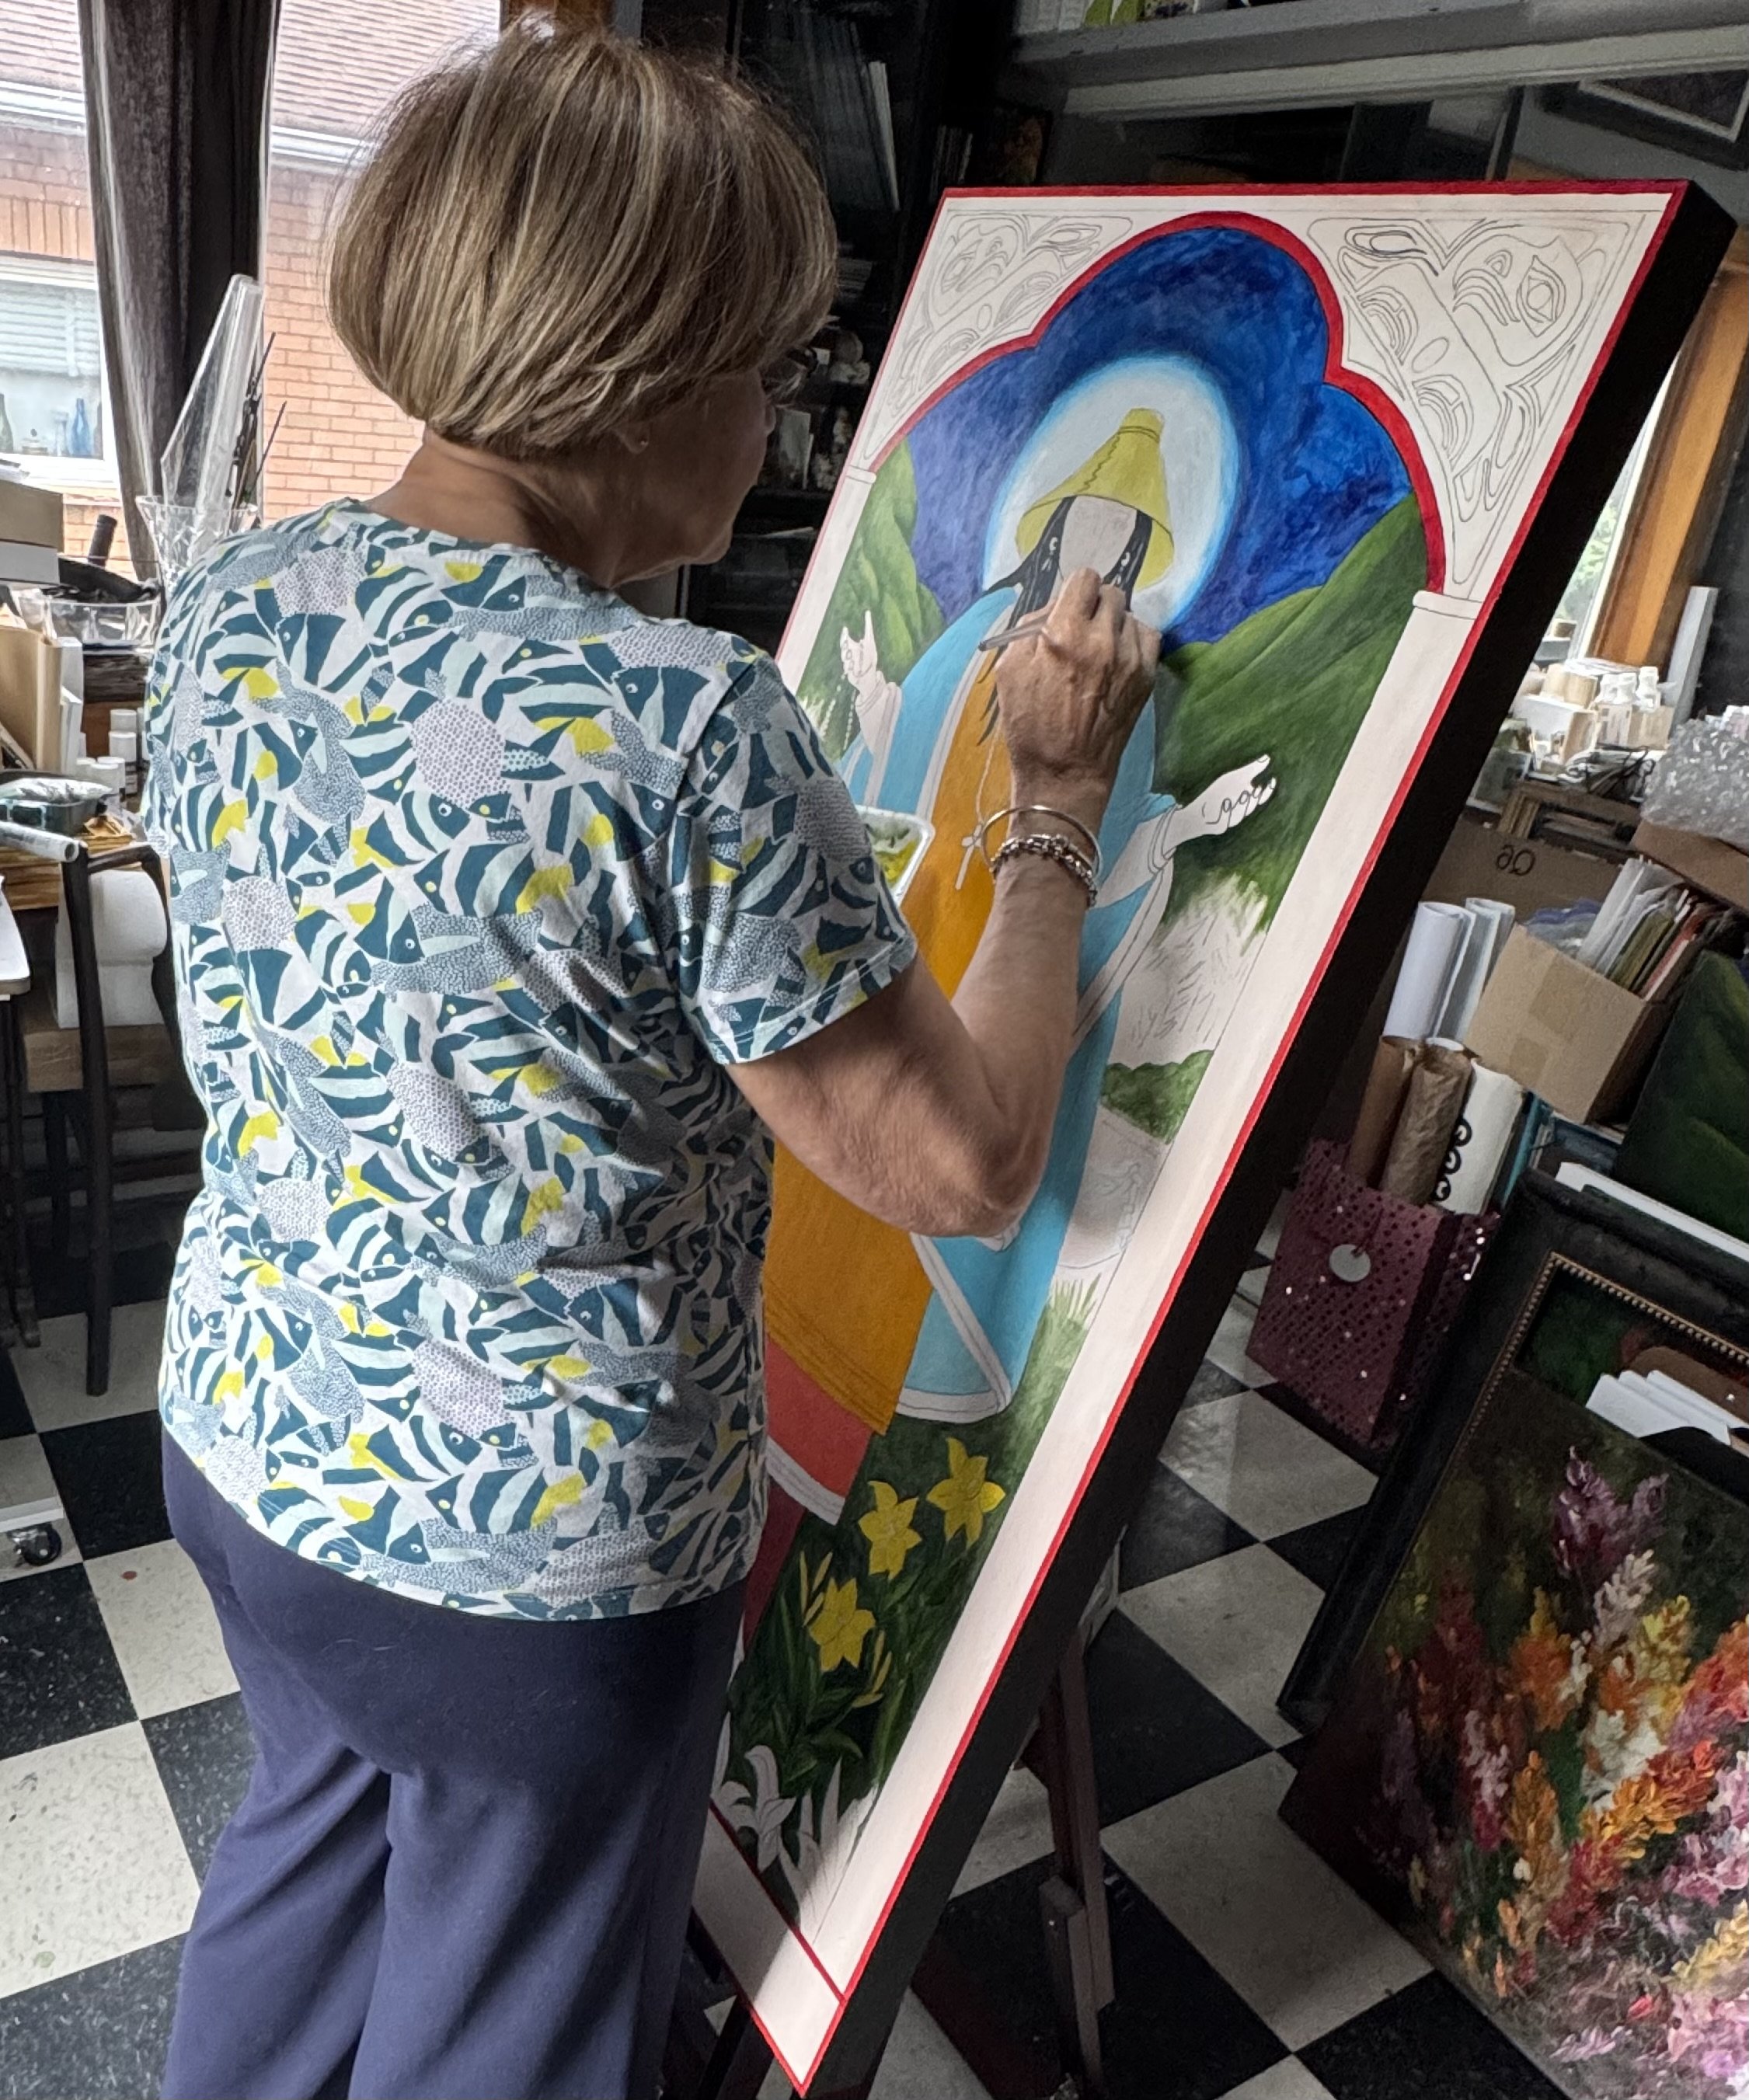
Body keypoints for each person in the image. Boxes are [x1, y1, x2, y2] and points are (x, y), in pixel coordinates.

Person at [142, 24, 1158, 2100]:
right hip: (527, 1568)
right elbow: (963, 1160)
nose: (782, 422)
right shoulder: (683, 725)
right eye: (767, 367)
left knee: (306, 1870)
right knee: (508, 2035)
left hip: (252, 1450)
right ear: (635, 375)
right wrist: (1054, 810)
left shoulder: (232, 600)